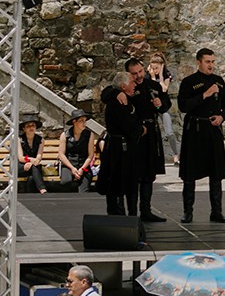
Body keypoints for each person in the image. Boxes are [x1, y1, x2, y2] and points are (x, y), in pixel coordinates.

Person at [177, 47, 225, 223]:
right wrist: (205, 94)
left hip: (213, 129)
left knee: (216, 172)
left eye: (213, 62)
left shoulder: (219, 81)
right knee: (190, 173)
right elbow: (183, 106)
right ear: (199, 62)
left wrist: (222, 117)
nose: (211, 65)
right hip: (195, 130)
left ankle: (216, 211)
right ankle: (188, 211)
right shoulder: (189, 82)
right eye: (207, 62)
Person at [128, 56, 172, 221]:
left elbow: (165, 106)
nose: (138, 76)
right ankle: (132, 213)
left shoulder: (153, 86)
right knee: (135, 174)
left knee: (149, 173)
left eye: (140, 71)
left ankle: (146, 211)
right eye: (134, 73)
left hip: (152, 131)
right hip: (136, 133)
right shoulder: (128, 88)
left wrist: (160, 104)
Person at [97, 73, 141, 214]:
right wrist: (141, 130)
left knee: (130, 182)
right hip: (119, 148)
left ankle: (132, 214)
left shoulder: (128, 98)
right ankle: (119, 214)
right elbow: (127, 125)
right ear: (123, 86)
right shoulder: (118, 101)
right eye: (132, 82)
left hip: (126, 146)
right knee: (117, 181)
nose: (135, 85)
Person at [56, 110, 94, 194]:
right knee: (65, 182)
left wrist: (82, 168)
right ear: (74, 122)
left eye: (85, 120)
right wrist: (72, 168)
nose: (84, 123)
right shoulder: (65, 135)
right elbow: (61, 154)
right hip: (68, 165)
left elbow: (90, 154)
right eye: (81, 121)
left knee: (84, 190)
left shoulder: (89, 134)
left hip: (83, 165)